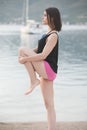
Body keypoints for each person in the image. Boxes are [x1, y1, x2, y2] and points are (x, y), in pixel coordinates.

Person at [18, 7, 62, 130]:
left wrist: (25, 59)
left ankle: (33, 81)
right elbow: (37, 51)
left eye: (44, 15)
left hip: (48, 69)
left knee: (22, 49)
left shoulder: (53, 35)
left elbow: (43, 56)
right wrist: (24, 56)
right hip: (46, 71)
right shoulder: (47, 34)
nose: (42, 18)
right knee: (49, 105)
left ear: (51, 17)